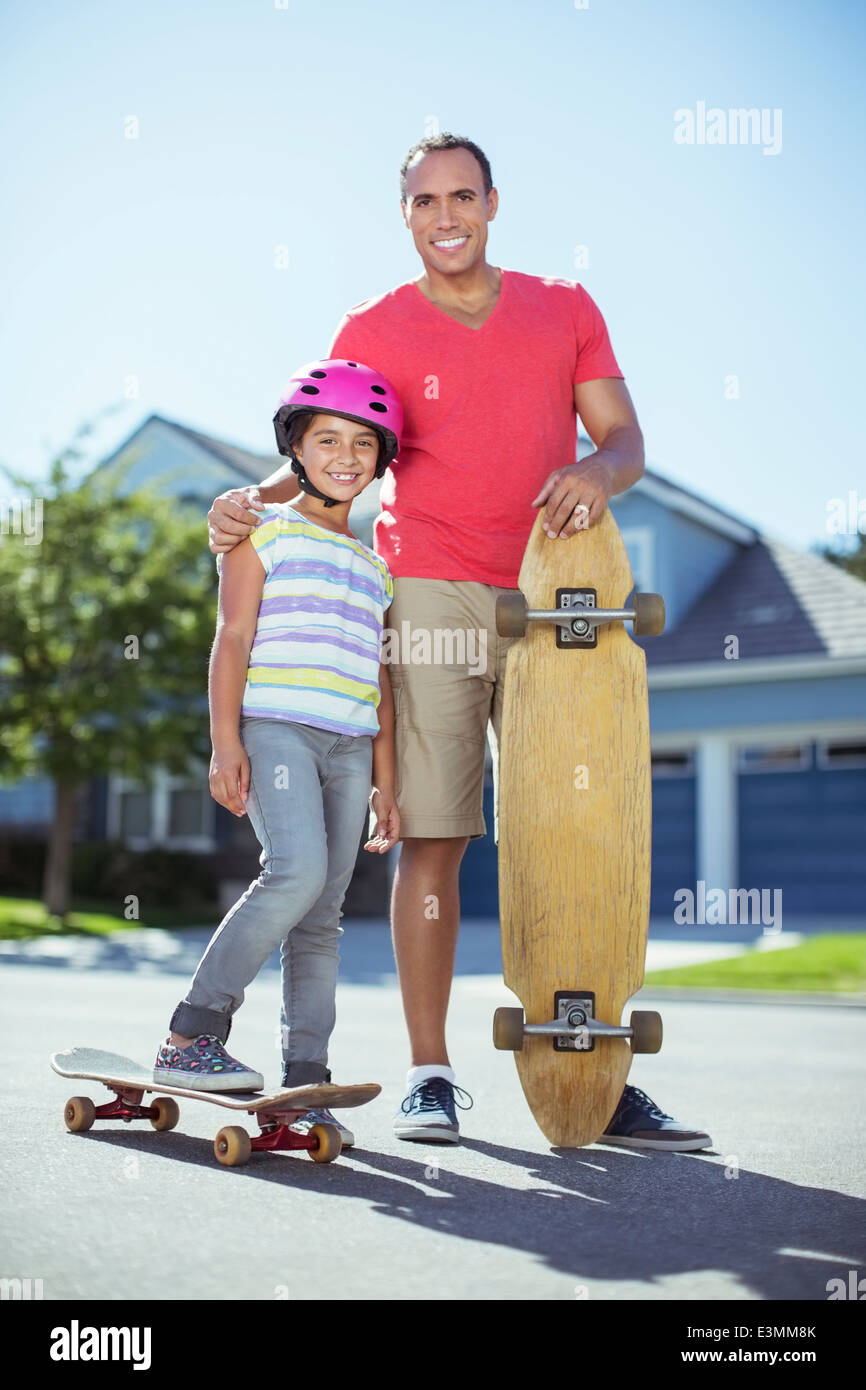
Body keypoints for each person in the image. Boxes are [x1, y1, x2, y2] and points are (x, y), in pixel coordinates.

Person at [207, 134, 712, 1152]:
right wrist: (246, 501)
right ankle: (429, 1072)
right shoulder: (372, 325)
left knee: (576, 835)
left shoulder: (562, 306)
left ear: (491, 202)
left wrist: (595, 477)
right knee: (434, 838)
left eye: (462, 196)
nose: (445, 216)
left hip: (553, 592)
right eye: (424, 199)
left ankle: (593, 1069)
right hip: (431, 593)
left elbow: (623, 440)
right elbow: (328, 437)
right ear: (404, 212)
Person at [156, 359, 401, 1148]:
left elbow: (381, 684)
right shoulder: (262, 530)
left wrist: (385, 786)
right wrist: (225, 741)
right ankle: (192, 1034)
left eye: (365, 443)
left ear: (381, 459)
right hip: (277, 728)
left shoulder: (374, 567)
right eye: (327, 437)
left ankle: (305, 1081)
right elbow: (232, 638)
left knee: (323, 914)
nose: (346, 455)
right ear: (294, 446)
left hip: (350, 744)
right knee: (292, 871)